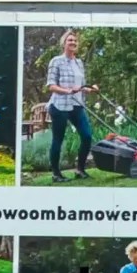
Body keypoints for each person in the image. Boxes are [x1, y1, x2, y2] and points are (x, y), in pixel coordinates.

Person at [44, 30, 96, 180]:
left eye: (75, 40)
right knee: (58, 139)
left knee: (87, 136)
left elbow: (80, 86)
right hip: (59, 106)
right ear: (64, 43)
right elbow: (51, 86)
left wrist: (91, 89)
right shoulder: (56, 61)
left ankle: (80, 170)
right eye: (70, 40)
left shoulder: (79, 63)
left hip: (77, 105)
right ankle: (56, 174)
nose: (73, 42)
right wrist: (67, 91)